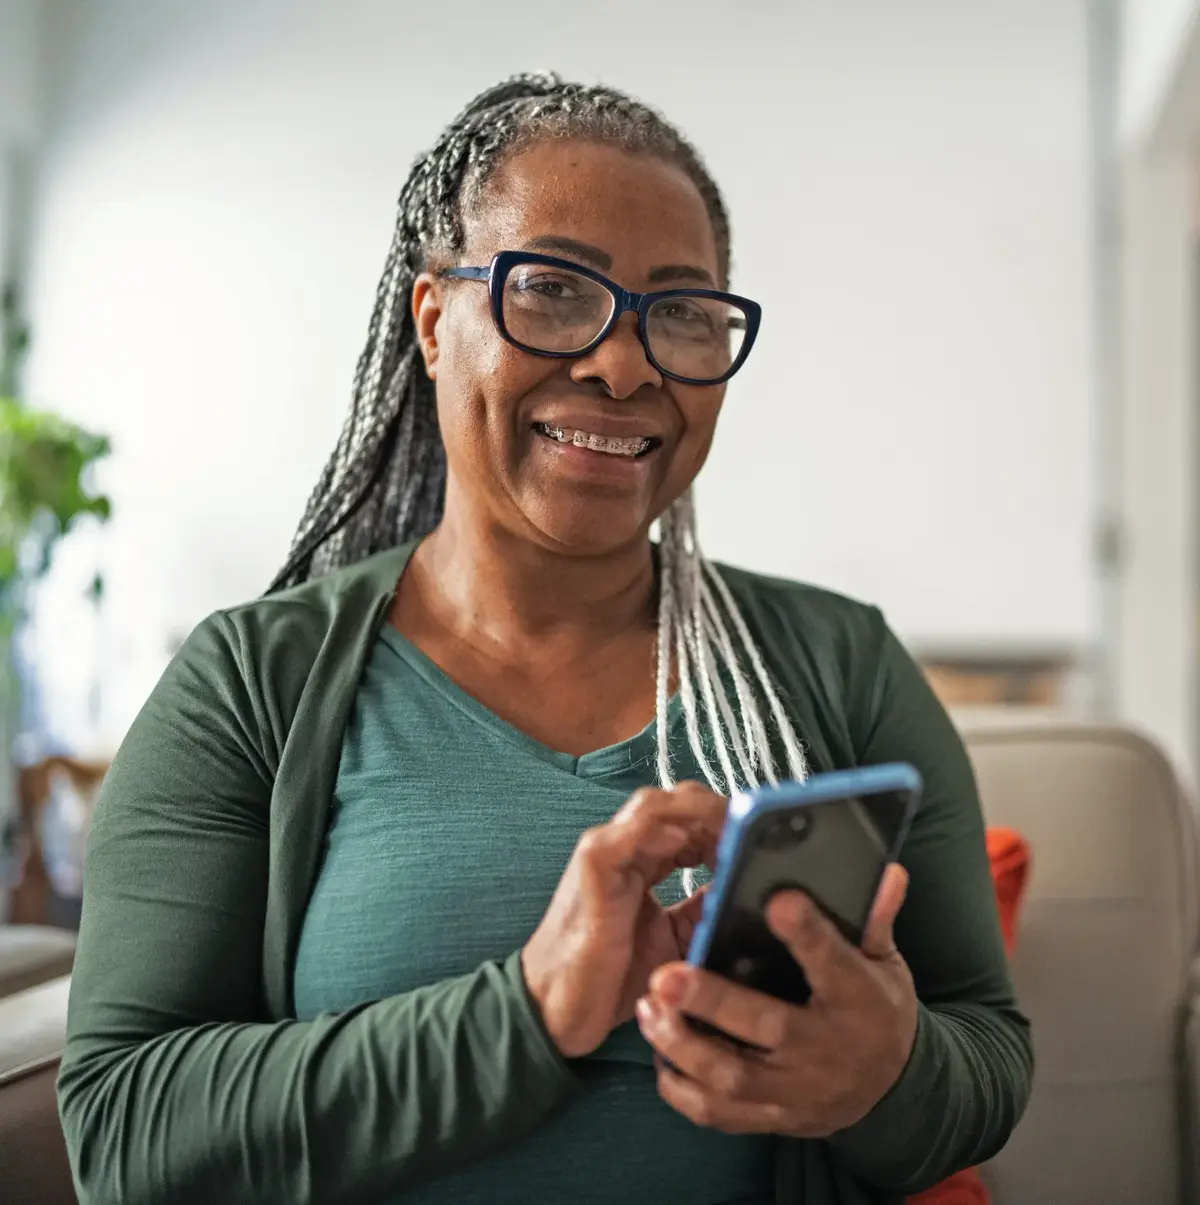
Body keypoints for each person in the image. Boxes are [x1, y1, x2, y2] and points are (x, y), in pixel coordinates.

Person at [58, 73, 1032, 1205]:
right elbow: (124, 1132)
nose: (625, 364)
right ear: (434, 321)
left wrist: (886, 1072)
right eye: (555, 291)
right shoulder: (249, 683)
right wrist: (523, 1015)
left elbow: (990, 1059)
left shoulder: (840, 663)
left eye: (680, 313)